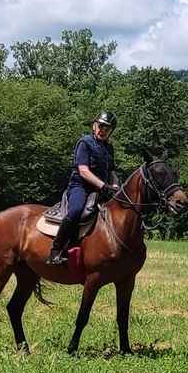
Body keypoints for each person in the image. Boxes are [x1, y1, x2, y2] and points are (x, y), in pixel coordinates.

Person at [46, 111, 119, 265]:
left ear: (111, 131)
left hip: (100, 190)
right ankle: (56, 250)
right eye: (100, 126)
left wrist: (115, 185)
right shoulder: (84, 143)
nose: (103, 130)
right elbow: (84, 171)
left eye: (107, 128)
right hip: (80, 186)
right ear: (94, 125)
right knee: (76, 210)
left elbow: (112, 171)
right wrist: (103, 185)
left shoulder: (108, 148)